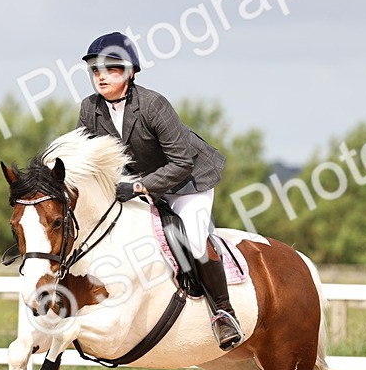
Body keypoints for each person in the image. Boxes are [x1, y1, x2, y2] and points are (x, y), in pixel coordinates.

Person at [76, 31, 243, 351]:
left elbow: (180, 163)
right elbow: (89, 161)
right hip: (136, 183)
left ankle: (223, 312)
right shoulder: (89, 108)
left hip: (187, 182)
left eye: (110, 69)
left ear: (130, 73)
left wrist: (138, 186)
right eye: (95, 70)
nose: (100, 77)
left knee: (192, 239)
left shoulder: (153, 104)